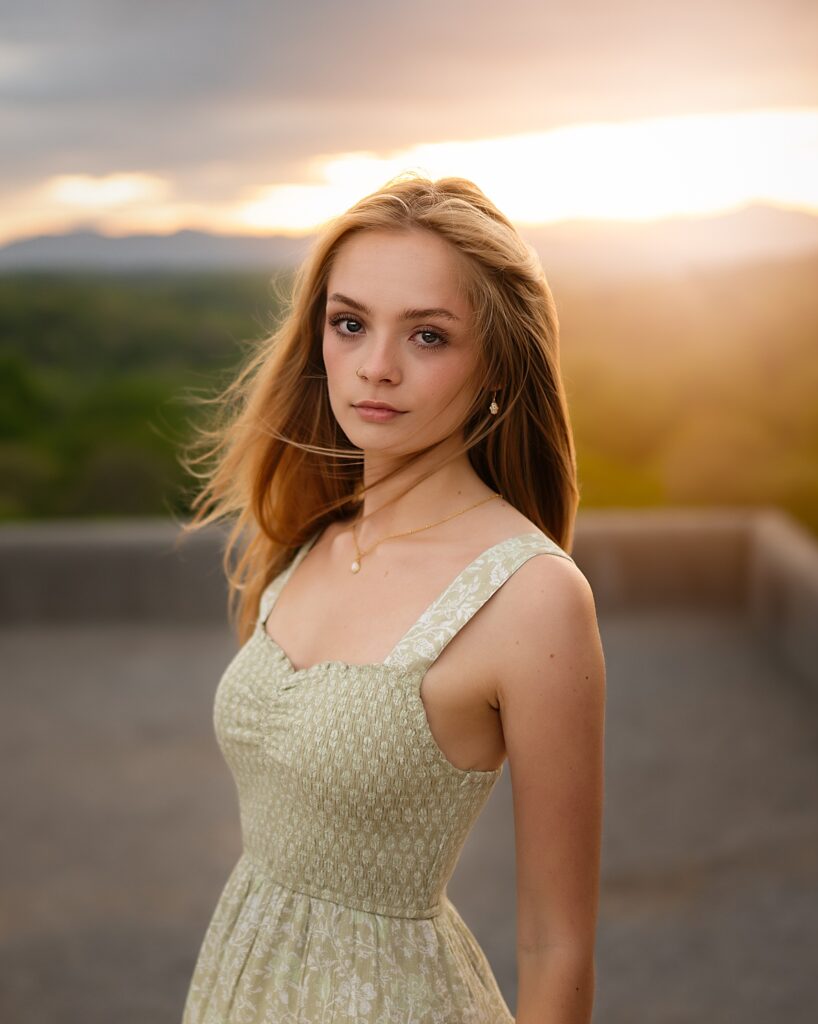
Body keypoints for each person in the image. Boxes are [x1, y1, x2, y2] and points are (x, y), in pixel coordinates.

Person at [179, 174, 606, 1024]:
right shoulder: (311, 539)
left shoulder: (532, 598)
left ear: (496, 363)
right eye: (350, 323)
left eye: (429, 335)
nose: (377, 367)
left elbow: (556, 943)